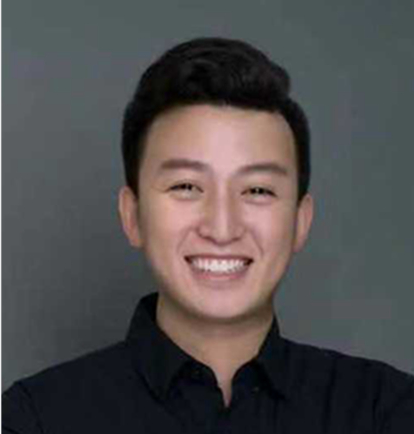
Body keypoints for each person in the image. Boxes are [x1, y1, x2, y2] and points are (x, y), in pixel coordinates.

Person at [3, 37, 413, 433]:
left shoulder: (385, 411)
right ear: (133, 216)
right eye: (186, 186)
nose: (222, 228)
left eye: (257, 190)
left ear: (300, 222)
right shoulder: (35, 419)